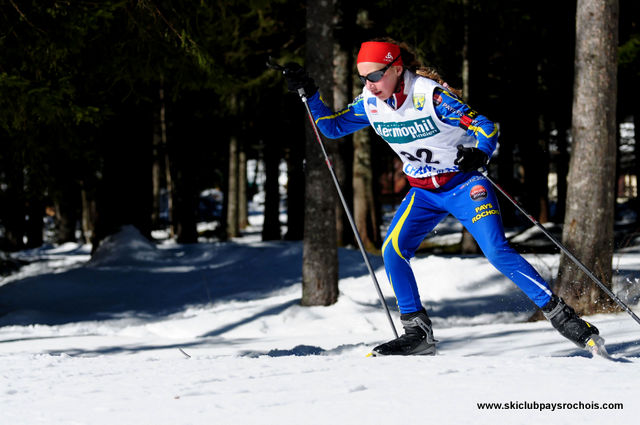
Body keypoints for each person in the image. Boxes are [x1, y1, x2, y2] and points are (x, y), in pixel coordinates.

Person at [283, 39, 601, 356]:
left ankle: (563, 317)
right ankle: (417, 332)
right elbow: (333, 128)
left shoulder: (431, 96)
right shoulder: (370, 102)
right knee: (393, 250)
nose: (369, 84)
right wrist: (311, 95)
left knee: (496, 250)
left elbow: (484, 125)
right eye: (363, 78)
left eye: (376, 76)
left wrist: (480, 152)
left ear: (396, 68)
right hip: (424, 191)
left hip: (464, 185)